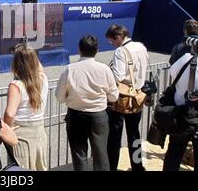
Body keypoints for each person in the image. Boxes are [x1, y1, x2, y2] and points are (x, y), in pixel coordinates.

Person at [56, 36, 119, 171]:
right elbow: (114, 96)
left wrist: (71, 98)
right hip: (99, 115)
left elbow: (59, 97)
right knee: (101, 154)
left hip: (76, 115)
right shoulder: (104, 69)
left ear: (79, 50)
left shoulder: (69, 69)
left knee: (79, 155)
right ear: (97, 50)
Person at [163, 29, 198, 172]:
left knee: (174, 154)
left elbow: (173, 75)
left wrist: (193, 53)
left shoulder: (187, 59)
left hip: (181, 119)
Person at [106, 24, 149, 171]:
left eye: (112, 41)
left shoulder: (120, 51)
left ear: (118, 37)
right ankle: (137, 166)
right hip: (138, 95)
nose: (112, 44)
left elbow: (118, 75)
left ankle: (112, 167)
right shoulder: (141, 47)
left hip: (122, 97)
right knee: (134, 134)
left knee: (114, 136)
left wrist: (107, 73)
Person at [4, 44, 49, 171]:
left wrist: (7, 128)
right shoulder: (43, 78)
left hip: (21, 135)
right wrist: (30, 53)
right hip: (39, 131)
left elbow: (10, 114)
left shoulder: (16, 85)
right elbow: (38, 67)